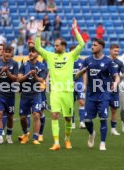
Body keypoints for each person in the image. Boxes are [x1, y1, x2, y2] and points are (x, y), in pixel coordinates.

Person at [35, 18, 85, 150]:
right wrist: (39, 33)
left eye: (57, 45)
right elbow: (38, 47)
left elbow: (81, 45)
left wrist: (75, 29)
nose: (55, 47)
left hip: (68, 91)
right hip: (55, 91)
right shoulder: (50, 56)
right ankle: (56, 143)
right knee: (54, 115)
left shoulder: (71, 56)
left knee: (68, 118)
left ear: (63, 46)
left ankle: (67, 140)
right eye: (55, 45)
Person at [76, 38, 120, 151]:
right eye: (92, 45)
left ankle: (102, 143)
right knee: (87, 121)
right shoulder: (87, 60)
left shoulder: (108, 61)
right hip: (91, 95)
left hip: (103, 94)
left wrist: (115, 83)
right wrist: (81, 72)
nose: (92, 47)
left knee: (103, 118)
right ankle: (92, 134)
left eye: (94, 45)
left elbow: (116, 76)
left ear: (101, 47)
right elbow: (77, 76)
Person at [18, 47, 47, 144]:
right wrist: (29, 74)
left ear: (37, 54)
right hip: (25, 94)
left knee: (36, 114)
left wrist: (34, 75)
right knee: (23, 117)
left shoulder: (42, 66)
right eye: (29, 51)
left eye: (33, 52)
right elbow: (19, 79)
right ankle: (26, 133)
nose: (30, 53)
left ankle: (35, 138)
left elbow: (41, 80)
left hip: (36, 94)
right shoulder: (24, 65)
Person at [0, 46, 18, 144]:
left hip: (10, 95)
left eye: (9, 52)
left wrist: (7, 72)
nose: (7, 54)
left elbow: (15, 78)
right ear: (3, 52)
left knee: (10, 116)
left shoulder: (14, 64)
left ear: (11, 54)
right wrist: (1, 72)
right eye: (5, 52)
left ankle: (9, 136)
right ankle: (0, 137)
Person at [109, 44, 124, 135]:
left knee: (114, 109)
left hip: (114, 90)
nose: (116, 53)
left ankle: (113, 129)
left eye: (118, 51)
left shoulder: (119, 63)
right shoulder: (105, 61)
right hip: (102, 89)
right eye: (115, 51)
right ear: (110, 50)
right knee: (102, 110)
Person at [70, 46, 86, 129]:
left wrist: (85, 84)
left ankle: (82, 122)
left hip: (79, 84)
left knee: (82, 102)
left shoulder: (82, 62)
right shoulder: (67, 61)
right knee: (70, 104)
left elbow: (84, 74)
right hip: (69, 85)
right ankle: (72, 122)